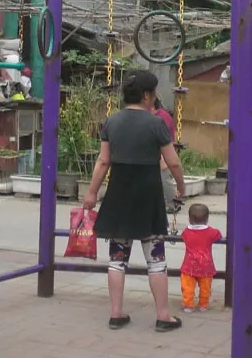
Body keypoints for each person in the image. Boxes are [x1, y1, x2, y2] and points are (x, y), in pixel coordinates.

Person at [82, 69, 187, 333]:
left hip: (119, 194)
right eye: (153, 94)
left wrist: (92, 193)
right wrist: (181, 186)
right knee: (156, 259)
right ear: (146, 95)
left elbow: (103, 161)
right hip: (148, 197)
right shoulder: (156, 124)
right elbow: (173, 161)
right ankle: (163, 316)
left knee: (117, 259)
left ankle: (116, 314)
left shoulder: (112, 122)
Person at [180, 203, 222, 313]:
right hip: (206, 265)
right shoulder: (211, 232)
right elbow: (218, 235)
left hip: (189, 265)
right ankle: (203, 304)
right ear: (207, 219)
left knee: (187, 286)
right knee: (205, 287)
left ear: (189, 219)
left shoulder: (186, 232)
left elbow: (183, 236)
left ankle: (188, 304)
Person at [151, 97, 177, 213]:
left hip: (164, 151)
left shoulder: (162, 117)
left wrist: (162, 158)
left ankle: (173, 204)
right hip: (158, 151)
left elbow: (163, 139)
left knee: (165, 178)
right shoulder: (157, 116)